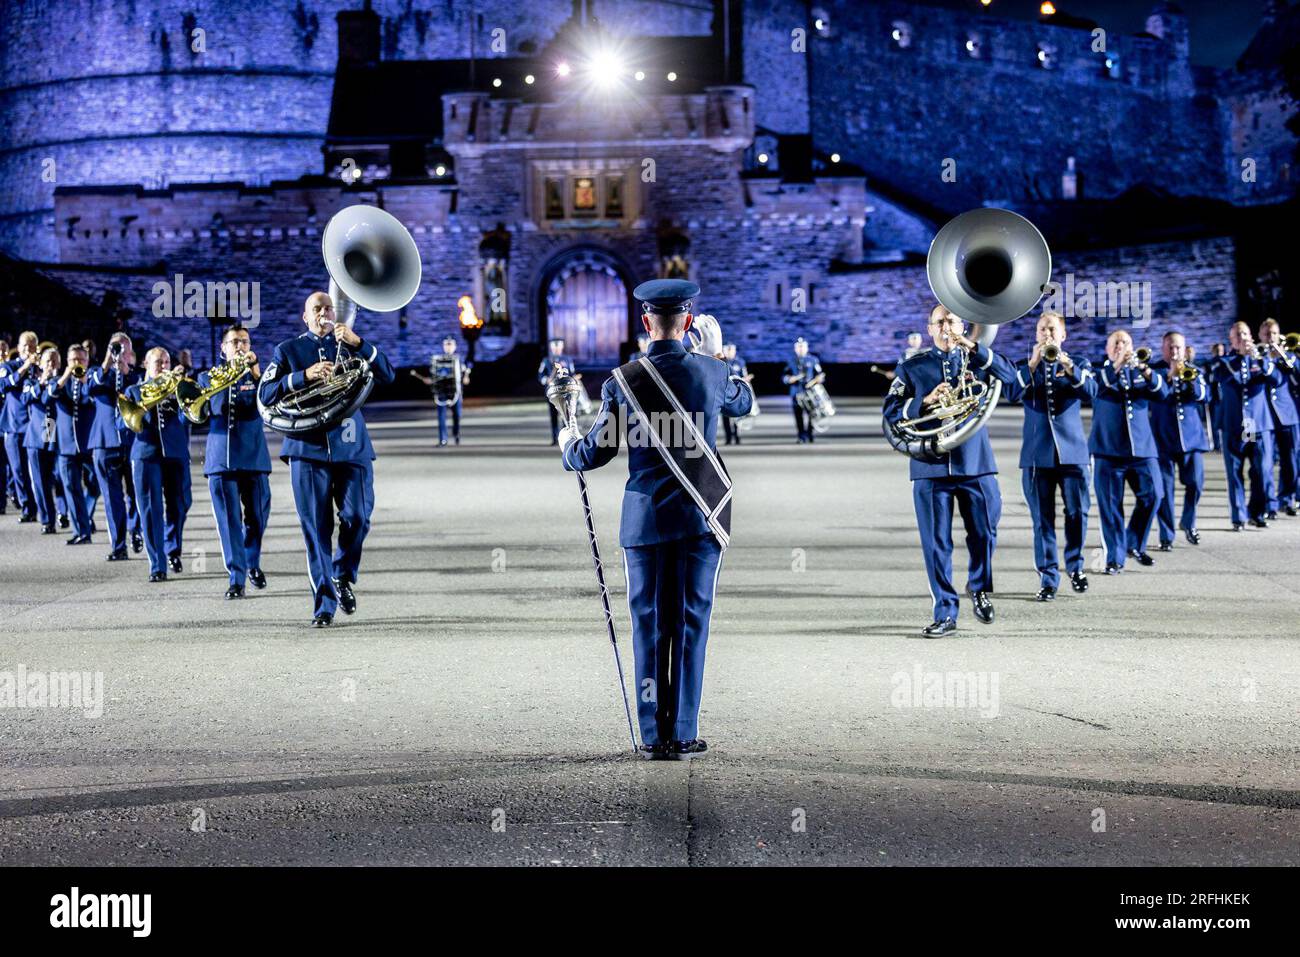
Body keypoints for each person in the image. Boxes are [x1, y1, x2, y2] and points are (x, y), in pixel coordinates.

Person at [559, 279, 753, 759]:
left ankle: (650, 734)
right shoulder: (710, 372)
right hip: (700, 517)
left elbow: (595, 453)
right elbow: (743, 404)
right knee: (691, 624)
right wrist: (719, 356)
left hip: (644, 521)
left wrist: (568, 443)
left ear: (646, 323)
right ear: (687, 322)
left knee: (648, 625)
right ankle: (683, 731)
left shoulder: (621, 381)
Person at [258, 291, 395, 626]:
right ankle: (324, 604)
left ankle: (342, 574)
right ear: (305, 317)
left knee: (358, 517)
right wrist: (303, 377)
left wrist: (358, 341)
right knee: (316, 529)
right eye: (316, 309)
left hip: (352, 446)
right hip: (307, 449)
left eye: (328, 308)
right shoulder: (288, 350)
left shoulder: (349, 343)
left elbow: (388, 375)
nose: (323, 313)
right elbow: (265, 393)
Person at [882, 304, 1016, 637]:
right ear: (929, 329)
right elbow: (890, 413)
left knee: (985, 531)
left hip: (976, 464)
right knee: (936, 543)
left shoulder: (978, 360)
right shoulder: (911, 368)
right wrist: (925, 401)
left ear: (962, 324)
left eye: (952, 321)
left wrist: (974, 345)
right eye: (939, 322)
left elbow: (1013, 380)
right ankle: (945, 610)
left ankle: (979, 587)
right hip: (930, 467)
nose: (946, 326)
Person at [1005, 311, 1095, 601]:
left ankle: (1076, 566)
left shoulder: (1078, 364)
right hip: (1036, 455)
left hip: (1073, 453)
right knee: (1042, 520)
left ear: (1063, 335)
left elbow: (1093, 393)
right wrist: (1033, 363)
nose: (1048, 334)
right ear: (1036, 335)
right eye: (1043, 329)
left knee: (1077, 513)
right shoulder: (1024, 366)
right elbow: (1011, 393)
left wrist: (1069, 366)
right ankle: (1048, 578)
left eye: (1053, 330)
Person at [200, 326, 271, 599]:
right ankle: (236, 577)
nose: (240, 346)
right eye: (234, 342)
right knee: (229, 522)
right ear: (223, 348)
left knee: (257, 516)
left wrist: (255, 372)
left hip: (253, 456)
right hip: (221, 458)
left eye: (244, 341)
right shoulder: (207, 378)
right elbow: (198, 414)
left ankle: (251, 561)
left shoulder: (260, 377)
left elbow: (268, 402)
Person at [1089, 331, 1166, 573]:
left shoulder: (1142, 372)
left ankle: (1133, 543)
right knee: (1110, 506)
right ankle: (1114, 557)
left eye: (1126, 343)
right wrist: (1118, 365)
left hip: (1142, 449)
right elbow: (1096, 388)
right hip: (1108, 450)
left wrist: (1145, 370)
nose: (1121, 346)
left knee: (1154, 495)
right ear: (1108, 349)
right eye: (1116, 343)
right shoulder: (1098, 371)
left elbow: (1163, 393)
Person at [123, 348, 193, 581]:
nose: (163, 366)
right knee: (151, 509)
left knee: (181, 504)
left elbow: (191, 416)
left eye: (166, 362)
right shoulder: (133, 390)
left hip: (176, 452)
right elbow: (122, 423)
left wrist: (182, 391)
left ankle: (172, 548)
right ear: (145, 364)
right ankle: (157, 564)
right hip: (146, 454)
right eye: (157, 362)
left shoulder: (177, 386)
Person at [1211, 321, 1280, 529]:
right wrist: (1242, 357)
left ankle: (1256, 511)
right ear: (1231, 340)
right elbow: (1224, 378)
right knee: (1235, 472)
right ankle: (1238, 516)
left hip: (1256, 424)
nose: (1242, 338)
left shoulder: (1260, 358)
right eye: (1237, 335)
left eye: (1245, 334)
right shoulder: (1224, 362)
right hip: (1233, 424)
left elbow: (1275, 379)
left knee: (1261, 470)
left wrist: (1257, 357)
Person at [1148, 331, 1210, 548]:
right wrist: (1169, 376)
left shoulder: (1194, 371)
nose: (1174, 352)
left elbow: (1204, 396)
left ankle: (1188, 521)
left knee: (1196, 483)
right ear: (1163, 348)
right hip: (1162, 439)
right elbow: (1157, 394)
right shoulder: (1153, 371)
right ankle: (1166, 536)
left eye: (1178, 348)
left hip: (1191, 440)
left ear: (1184, 349)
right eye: (1170, 347)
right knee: (1164, 490)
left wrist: (1187, 379)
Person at [86, 333, 136, 561]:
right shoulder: (98, 373)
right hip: (104, 442)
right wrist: (108, 359)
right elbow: (91, 387)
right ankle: (119, 545)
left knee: (137, 494)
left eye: (124, 349)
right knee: (111, 497)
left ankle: (136, 531)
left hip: (132, 441)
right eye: (116, 348)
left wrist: (125, 369)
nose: (119, 352)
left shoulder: (137, 375)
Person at [49, 344, 98, 545]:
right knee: (71, 487)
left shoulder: (92, 379)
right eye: (73, 360)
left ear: (87, 361)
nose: (77, 363)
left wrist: (85, 380)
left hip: (90, 444)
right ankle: (82, 531)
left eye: (81, 360)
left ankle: (85, 514)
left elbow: (94, 399)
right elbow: (50, 393)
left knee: (97, 483)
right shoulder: (59, 381)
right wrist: (66, 375)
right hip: (67, 445)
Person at [1258, 318, 1298, 517]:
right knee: (1265, 463)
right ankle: (1269, 503)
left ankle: (1287, 498)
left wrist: (1282, 355)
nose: (1270, 338)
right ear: (1260, 336)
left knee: (1290, 461)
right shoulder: (1256, 356)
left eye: (1273, 333)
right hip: (1264, 416)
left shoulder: (1288, 356)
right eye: (1266, 334)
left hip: (1287, 415)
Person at [21, 347, 64, 534]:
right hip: (37, 434)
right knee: (40, 480)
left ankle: (64, 512)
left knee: (60, 477)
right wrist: (42, 381)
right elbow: (25, 398)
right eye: (47, 361)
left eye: (54, 361)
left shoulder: (63, 381)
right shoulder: (31, 381)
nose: (51, 365)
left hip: (55, 429)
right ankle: (48, 520)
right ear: (40, 363)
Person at [0, 331, 40, 522]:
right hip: (14, 427)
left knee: (46, 471)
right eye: (25, 345)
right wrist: (26, 366)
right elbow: (4, 385)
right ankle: (27, 508)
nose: (28, 349)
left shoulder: (40, 367)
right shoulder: (10, 366)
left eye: (32, 346)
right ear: (19, 346)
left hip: (39, 427)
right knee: (19, 471)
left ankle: (50, 510)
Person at [410, 336, 471, 446]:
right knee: (441, 416)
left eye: (450, 344)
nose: (448, 347)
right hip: (442, 392)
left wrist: (466, 377)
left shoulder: (459, 360)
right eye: (446, 345)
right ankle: (443, 439)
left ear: (455, 346)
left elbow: (466, 372)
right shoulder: (437, 360)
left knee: (457, 415)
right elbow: (434, 375)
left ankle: (456, 433)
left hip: (455, 393)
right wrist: (430, 380)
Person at [782, 338, 824, 443]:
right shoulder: (791, 361)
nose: (801, 349)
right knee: (798, 415)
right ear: (795, 348)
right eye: (798, 347)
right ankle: (801, 435)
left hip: (810, 392)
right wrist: (789, 379)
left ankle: (810, 433)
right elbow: (784, 376)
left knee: (812, 414)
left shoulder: (813, 360)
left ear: (806, 348)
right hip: (796, 392)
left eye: (803, 347)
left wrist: (819, 379)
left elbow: (820, 374)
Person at [538, 338, 576, 444]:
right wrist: (546, 380)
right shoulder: (546, 360)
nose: (556, 350)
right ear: (551, 348)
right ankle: (555, 438)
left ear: (562, 347)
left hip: (566, 392)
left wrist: (573, 380)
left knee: (566, 415)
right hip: (552, 392)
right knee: (553, 415)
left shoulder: (568, 360)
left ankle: (566, 439)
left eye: (558, 347)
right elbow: (540, 375)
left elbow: (572, 373)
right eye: (554, 348)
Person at [720, 343, 751, 445]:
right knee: (725, 417)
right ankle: (728, 437)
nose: (729, 352)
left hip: (736, 393)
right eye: (727, 350)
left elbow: (744, 375)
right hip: (724, 393)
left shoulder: (740, 362)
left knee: (737, 416)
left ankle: (737, 436)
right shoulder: (720, 361)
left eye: (731, 350)